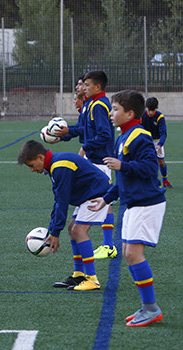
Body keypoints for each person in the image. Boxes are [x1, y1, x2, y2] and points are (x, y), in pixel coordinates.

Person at [88, 90, 165, 327]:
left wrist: (124, 165)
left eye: (115, 109)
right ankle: (147, 306)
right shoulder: (123, 137)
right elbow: (122, 179)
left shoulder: (139, 135)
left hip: (147, 202)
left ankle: (151, 308)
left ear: (130, 113)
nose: (111, 113)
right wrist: (106, 199)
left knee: (133, 254)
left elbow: (150, 169)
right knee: (127, 254)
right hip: (133, 203)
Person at [17, 140, 109, 291]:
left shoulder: (60, 166)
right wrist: (52, 228)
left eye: (31, 165)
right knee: (72, 229)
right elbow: (58, 200)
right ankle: (79, 275)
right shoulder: (54, 165)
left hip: (98, 194)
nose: (32, 170)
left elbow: (63, 201)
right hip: (89, 194)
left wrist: (55, 232)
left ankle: (92, 279)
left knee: (79, 231)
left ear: (40, 157)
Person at [53, 71, 116, 260]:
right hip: (94, 160)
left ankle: (108, 245)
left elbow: (104, 134)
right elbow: (84, 129)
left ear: (97, 87)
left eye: (86, 85)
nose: (83, 88)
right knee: (82, 220)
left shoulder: (98, 105)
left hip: (101, 161)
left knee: (85, 221)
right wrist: (66, 134)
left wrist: (85, 148)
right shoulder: (90, 104)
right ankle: (102, 250)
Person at [141, 97, 171, 188]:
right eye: (149, 110)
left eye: (153, 110)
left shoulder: (160, 117)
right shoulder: (142, 116)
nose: (150, 112)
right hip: (145, 139)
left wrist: (160, 145)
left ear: (157, 108)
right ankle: (147, 181)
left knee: (161, 162)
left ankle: (165, 180)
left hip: (157, 140)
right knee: (145, 160)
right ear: (146, 108)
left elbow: (163, 133)